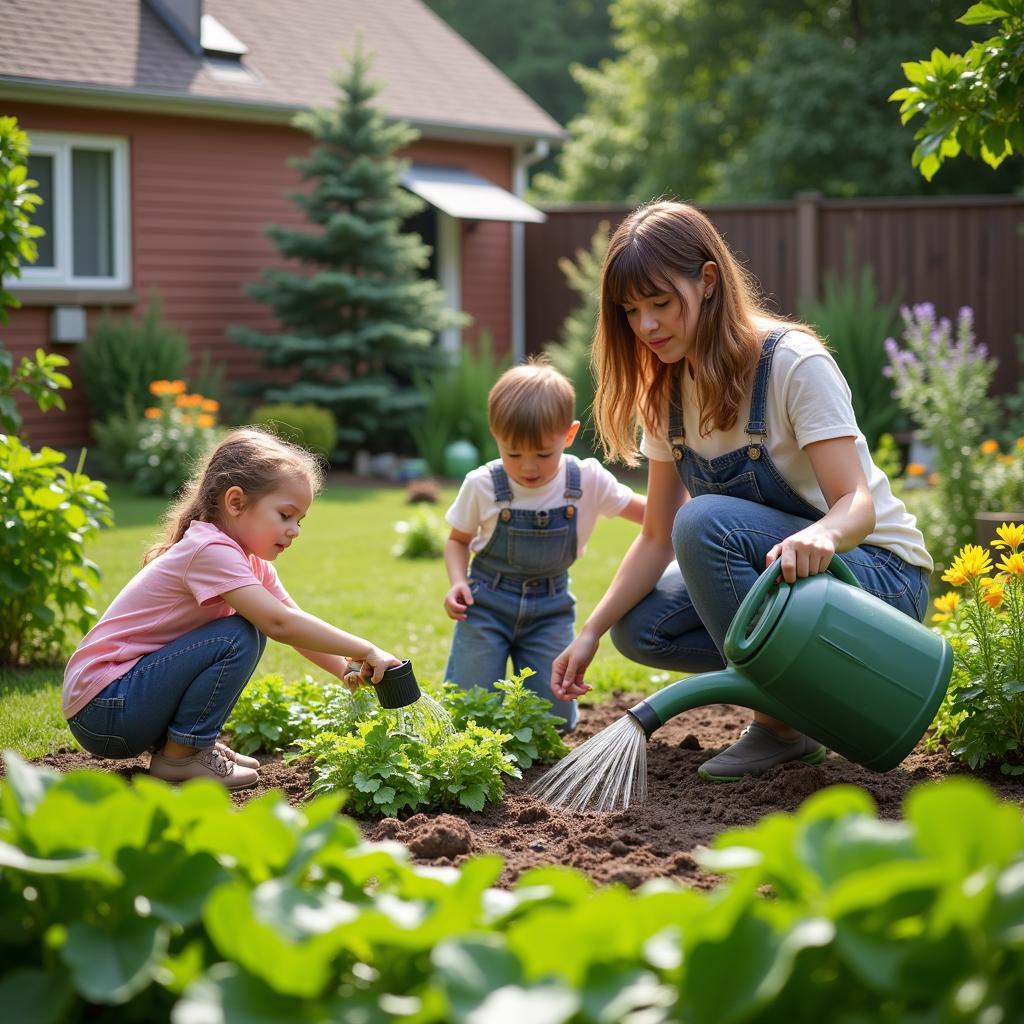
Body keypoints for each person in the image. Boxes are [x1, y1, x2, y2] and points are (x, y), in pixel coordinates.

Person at [550, 200, 933, 780]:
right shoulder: (666, 391)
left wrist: (823, 536)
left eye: (660, 303)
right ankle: (803, 708)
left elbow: (854, 503)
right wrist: (591, 631)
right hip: (793, 594)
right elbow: (655, 537)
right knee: (641, 624)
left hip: (878, 582)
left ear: (707, 281)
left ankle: (779, 727)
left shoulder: (793, 364)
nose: (647, 326)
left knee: (703, 522)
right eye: (631, 311)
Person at [63, 428, 400, 790]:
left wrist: (342, 668)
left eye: (299, 520)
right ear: (236, 502)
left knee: (246, 630)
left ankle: (189, 747)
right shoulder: (209, 550)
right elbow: (279, 623)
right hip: (105, 707)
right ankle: (181, 757)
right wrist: (365, 649)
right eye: (285, 515)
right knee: (241, 633)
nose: (295, 530)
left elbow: (295, 623)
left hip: (118, 704)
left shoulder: (247, 563)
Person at [443, 357, 646, 730]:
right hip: (485, 604)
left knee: (552, 721)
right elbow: (458, 540)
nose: (528, 468)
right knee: (468, 712)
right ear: (496, 436)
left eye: (542, 454)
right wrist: (457, 580)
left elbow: (654, 516)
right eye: (514, 454)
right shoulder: (483, 484)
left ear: (568, 436)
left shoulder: (586, 479)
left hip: (551, 610)